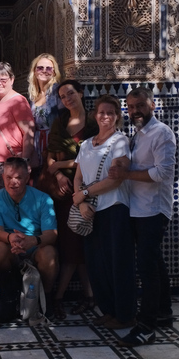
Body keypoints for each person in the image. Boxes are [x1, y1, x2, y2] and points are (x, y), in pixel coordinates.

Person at [110, 87, 176, 347]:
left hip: (154, 209)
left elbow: (162, 173)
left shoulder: (162, 134)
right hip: (138, 208)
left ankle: (146, 327)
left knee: (147, 268)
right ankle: (163, 313)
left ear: (152, 105)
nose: (135, 111)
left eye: (140, 106)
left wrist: (125, 175)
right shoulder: (138, 135)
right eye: (131, 107)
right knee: (155, 262)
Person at [72, 94, 135, 330]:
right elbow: (78, 177)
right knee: (96, 264)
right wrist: (81, 203)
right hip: (90, 212)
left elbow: (115, 179)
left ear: (117, 116)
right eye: (101, 112)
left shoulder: (120, 142)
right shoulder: (86, 144)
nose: (106, 116)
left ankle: (125, 314)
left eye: (110, 112)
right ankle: (109, 310)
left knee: (119, 264)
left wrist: (84, 195)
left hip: (114, 209)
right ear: (95, 115)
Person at [43, 80, 97, 320]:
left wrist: (62, 166)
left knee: (79, 246)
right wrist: (58, 176)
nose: (67, 99)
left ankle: (58, 298)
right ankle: (89, 296)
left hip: (87, 192)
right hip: (63, 194)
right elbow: (49, 156)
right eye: (63, 96)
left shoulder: (95, 123)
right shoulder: (60, 122)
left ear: (81, 93)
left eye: (71, 93)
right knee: (70, 246)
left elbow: (90, 160)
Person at [0, 157, 58, 312]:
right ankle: (8, 294)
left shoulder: (43, 199)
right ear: (3, 178)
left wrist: (33, 240)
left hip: (35, 246)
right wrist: (10, 238)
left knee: (49, 253)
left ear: (27, 178)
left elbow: (51, 234)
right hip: (10, 246)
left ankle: (46, 299)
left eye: (19, 178)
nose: (13, 182)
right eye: (9, 178)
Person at [0, 62, 35, 193]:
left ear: (12, 80)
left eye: (3, 79)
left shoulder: (18, 101)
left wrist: (25, 161)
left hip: (8, 162)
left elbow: (28, 132)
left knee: (8, 201)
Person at [27, 53, 63, 183]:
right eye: (40, 68)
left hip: (52, 144)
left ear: (54, 72)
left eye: (49, 68)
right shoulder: (32, 96)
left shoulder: (57, 92)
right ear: (34, 71)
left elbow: (63, 122)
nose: (44, 71)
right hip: (36, 146)